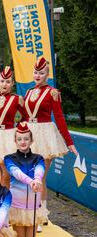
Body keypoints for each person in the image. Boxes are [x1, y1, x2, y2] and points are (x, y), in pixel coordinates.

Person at [21, 57, 78, 217]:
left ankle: (41, 214)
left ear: (47, 74)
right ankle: (28, 211)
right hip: (28, 136)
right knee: (27, 176)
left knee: (39, 177)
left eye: (41, 72)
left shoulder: (53, 93)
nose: (37, 75)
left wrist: (69, 142)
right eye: (35, 72)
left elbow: (59, 118)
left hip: (45, 137)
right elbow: (24, 116)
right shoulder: (28, 92)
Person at [4, 122, 47, 237]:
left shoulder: (38, 158)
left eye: (26, 139)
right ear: (15, 141)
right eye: (19, 139)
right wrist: (31, 181)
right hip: (17, 204)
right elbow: (16, 172)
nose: (23, 142)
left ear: (31, 140)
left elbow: (40, 170)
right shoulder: (9, 158)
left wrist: (38, 179)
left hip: (33, 204)